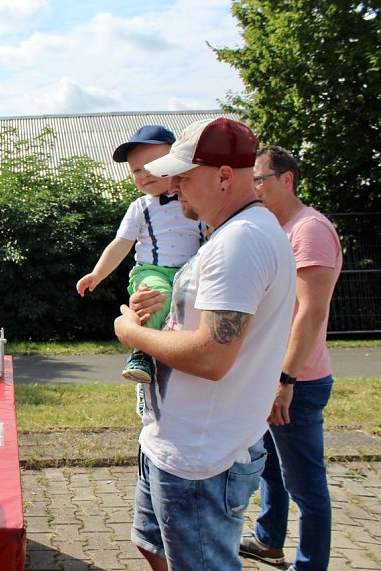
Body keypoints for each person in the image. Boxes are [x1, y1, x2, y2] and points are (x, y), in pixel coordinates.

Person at [113, 118, 297, 571]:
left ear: (223, 176)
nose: (173, 186)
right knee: (152, 545)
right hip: (177, 442)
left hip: (202, 457)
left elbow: (212, 356)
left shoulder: (240, 242)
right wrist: (148, 309)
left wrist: (130, 332)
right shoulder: (226, 235)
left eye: (184, 175)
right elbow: (195, 322)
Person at [239, 146, 342, 571]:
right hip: (271, 377)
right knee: (270, 469)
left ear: (287, 179)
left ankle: (310, 564)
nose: (254, 188)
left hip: (296, 380)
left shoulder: (309, 229)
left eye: (259, 179)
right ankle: (268, 540)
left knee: (305, 484)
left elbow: (311, 312)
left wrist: (285, 379)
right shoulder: (276, 229)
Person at [76, 125, 206, 417]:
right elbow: (120, 245)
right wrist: (97, 274)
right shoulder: (140, 208)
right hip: (152, 271)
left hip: (190, 271)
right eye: (136, 170)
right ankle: (141, 355)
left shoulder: (196, 201)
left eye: (151, 166)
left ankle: (162, 392)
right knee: (157, 297)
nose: (143, 174)